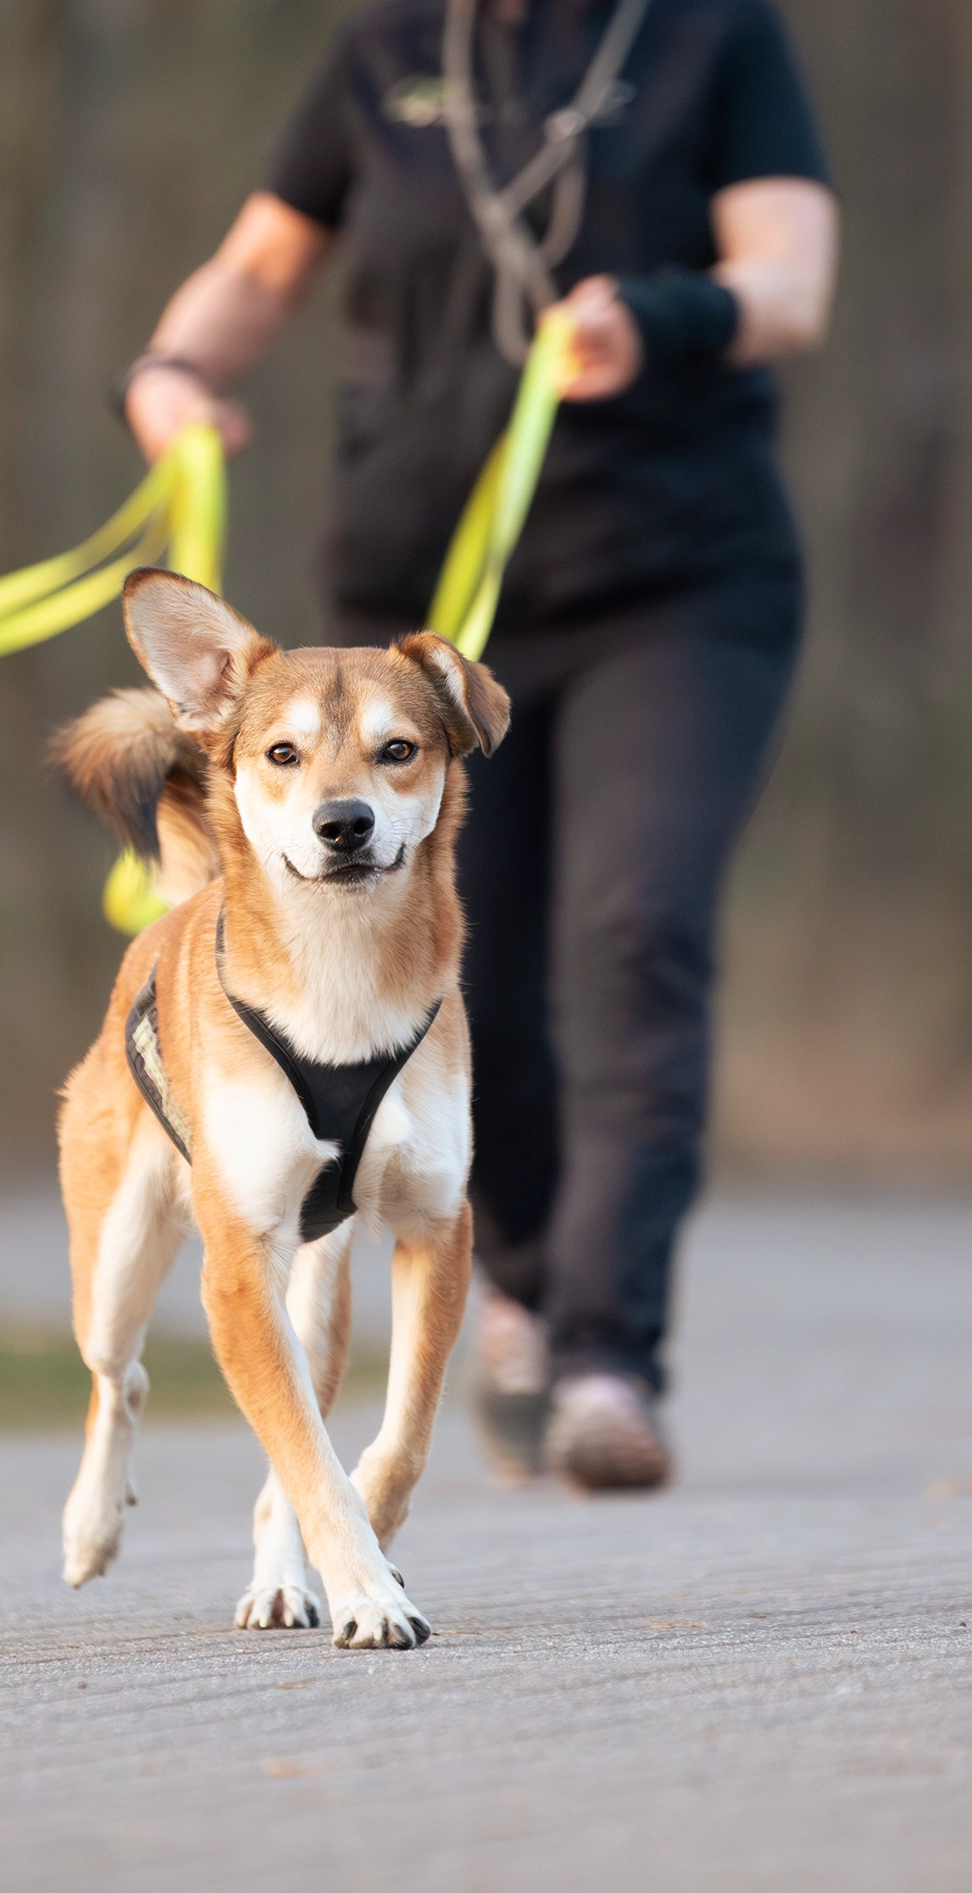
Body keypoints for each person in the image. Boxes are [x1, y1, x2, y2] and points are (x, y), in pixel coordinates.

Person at [118, 0, 837, 1489]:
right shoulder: (388, 48)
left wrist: (666, 317)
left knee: (635, 933)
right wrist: (175, 368)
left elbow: (791, 281)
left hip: (673, 588)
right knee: (454, 970)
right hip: (411, 621)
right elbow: (260, 266)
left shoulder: (710, 36)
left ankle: (609, 1357)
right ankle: (516, 1282)